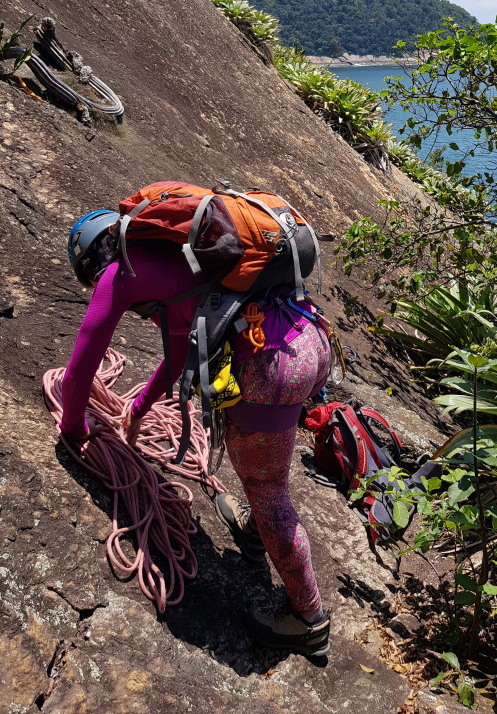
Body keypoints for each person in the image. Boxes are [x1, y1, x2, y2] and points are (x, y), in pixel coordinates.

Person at [60, 208, 332, 657]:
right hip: (306, 336)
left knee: (269, 492)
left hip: (270, 362)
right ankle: (255, 531)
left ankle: (308, 620)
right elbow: (186, 348)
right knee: (265, 477)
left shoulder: (120, 271)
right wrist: (141, 409)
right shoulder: (194, 254)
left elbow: (80, 370)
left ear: (92, 260)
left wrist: (75, 429)